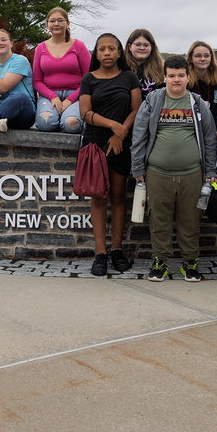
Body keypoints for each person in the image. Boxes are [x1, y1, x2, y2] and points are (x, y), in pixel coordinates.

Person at [131, 55, 217, 282]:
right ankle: (160, 262)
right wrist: (137, 166)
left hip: (192, 174)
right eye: (171, 76)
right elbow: (139, 134)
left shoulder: (197, 103)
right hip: (157, 173)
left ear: (188, 77)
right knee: (159, 221)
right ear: (164, 77)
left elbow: (209, 139)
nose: (176, 80)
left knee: (190, 221)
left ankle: (190, 263)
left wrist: (210, 172)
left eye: (181, 75)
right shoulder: (153, 100)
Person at [79, 34, 142, 276]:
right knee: (98, 198)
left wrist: (120, 133)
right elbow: (85, 112)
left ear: (119, 53)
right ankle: (100, 254)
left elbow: (136, 109)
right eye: (101, 49)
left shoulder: (129, 77)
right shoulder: (88, 79)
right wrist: (113, 126)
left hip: (121, 144)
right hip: (95, 143)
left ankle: (116, 250)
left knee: (117, 196)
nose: (106, 53)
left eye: (111, 49)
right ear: (96, 54)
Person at [33, 7, 89, 133]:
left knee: (71, 124)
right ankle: (56, 117)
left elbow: (89, 78)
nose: (56, 24)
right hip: (49, 96)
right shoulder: (40, 48)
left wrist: (70, 100)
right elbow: (37, 81)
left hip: (76, 95)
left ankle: (68, 118)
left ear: (68, 23)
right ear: (47, 24)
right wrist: (53, 97)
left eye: (60, 20)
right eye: (52, 21)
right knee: (45, 123)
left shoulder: (79, 46)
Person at [186, 41, 217, 129]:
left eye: (206, 55)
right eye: (198, 56)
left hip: (215, 129)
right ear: (191, 58)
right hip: (192, 128)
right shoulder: (186, 81)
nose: (203, 59)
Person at [125, 28, 164, 98]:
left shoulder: (162, 68)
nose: (142, 48)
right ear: (130, 46)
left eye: (146, 45)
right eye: (138, 45)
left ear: (151, 47)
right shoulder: (120, 68)